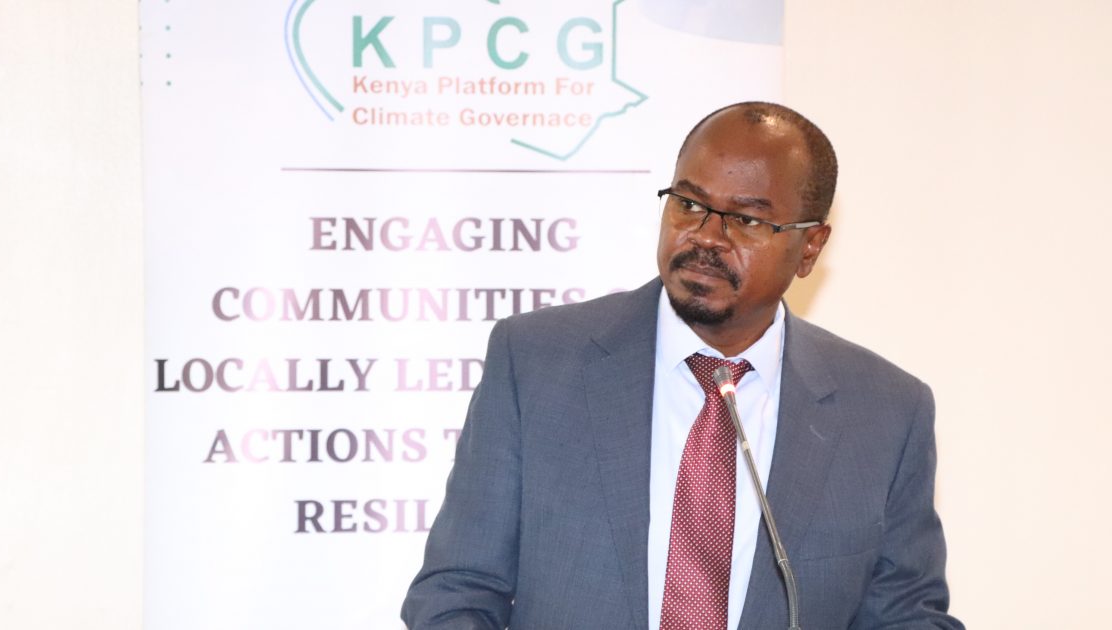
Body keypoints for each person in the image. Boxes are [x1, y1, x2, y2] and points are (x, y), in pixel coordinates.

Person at [401, 102, 963, 630]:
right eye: (689, 205)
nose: (706, 237)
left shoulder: (886, 414)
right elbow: (458, 592)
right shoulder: (536, 363)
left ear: (810, 246)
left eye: (746, 220)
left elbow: (906, 616)